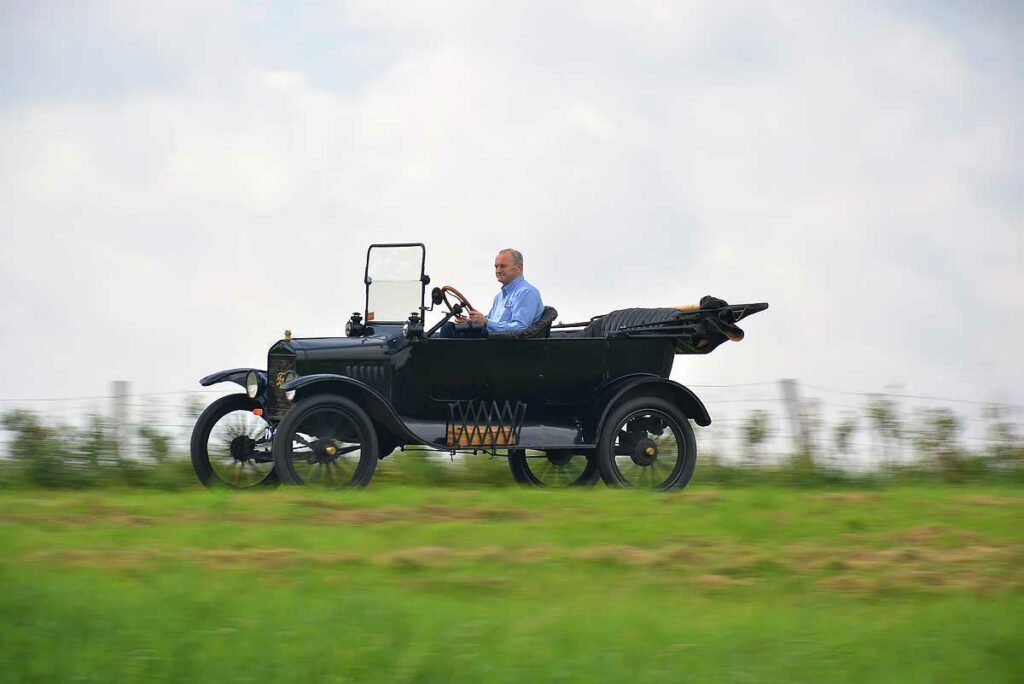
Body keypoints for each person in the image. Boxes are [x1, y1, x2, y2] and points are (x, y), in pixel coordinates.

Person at [441, 249, 544, 337]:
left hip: (507, 347)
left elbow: (520, 328)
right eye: (496, 267)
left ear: (519, 268)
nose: (498, 271)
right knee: (449, 327)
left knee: (448, 330)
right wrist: (471, 321)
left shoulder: (526, 293)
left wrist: (486, 322)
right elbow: (490, 321)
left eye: (502, 266)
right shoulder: (499, 297)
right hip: (493, 340)